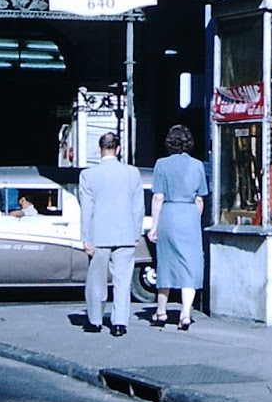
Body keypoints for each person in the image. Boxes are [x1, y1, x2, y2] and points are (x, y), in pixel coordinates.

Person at [79, 132, 143, 336]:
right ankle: (119, 323)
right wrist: (136, 233)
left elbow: (86, 209)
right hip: (125, 233)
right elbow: (138, 206)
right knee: (123, 280)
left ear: (99, 150)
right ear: (118, 149)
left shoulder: (88, 175)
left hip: (99, 235)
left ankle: (95, 320)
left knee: (97, 279)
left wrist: (85, 238)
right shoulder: (133, 173)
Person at [147, 124, 209, 330]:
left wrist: (154, 226)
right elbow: (200, 199)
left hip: (169, 214)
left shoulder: (161, 165)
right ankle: (185, 313)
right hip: (189, 215)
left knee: (165, 262)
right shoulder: (198, 165)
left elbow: (158, 196)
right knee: (190, 264)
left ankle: (161, 311)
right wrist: (194, 219)